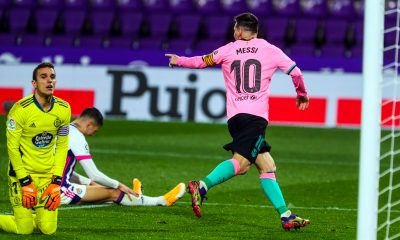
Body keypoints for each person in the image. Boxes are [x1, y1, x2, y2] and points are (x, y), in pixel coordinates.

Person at [165, 12, 310, 230]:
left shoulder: (227, 49)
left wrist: (179, 60)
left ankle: (286, 215)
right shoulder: (270, 49)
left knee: (267, 165)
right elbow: (295, 72)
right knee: (241, 165)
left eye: (235, 28)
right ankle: (201, 186)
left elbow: (202, 61)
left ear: (240, 31)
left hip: (235, 118)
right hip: (256, 118)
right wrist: (301, 93)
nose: (234, 32)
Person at [61, 107, 185, 206]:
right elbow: (94, 174)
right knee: (113, 192)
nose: (93, 134)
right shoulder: (77, 137)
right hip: (59, 190)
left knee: (100, 192)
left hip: (46, 188)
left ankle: (137, 195)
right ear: (89, 125)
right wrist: (119, 185)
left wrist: (90, 183)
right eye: (95, 131)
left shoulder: (62, 130)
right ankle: (160, 201)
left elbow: (61, 170)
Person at [1, 62, 71, 235]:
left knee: (48, 230)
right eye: (43, 77)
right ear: (34, 83)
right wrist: (24, 182)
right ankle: (21, 219)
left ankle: (33, 216)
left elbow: (62, 146)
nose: (49, 81)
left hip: (47, 176)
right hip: (22, 176)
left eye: (52, 77)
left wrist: (56, 182)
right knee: (23, 230)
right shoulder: (20, 110)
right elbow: (12, 147)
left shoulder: (63, 109)